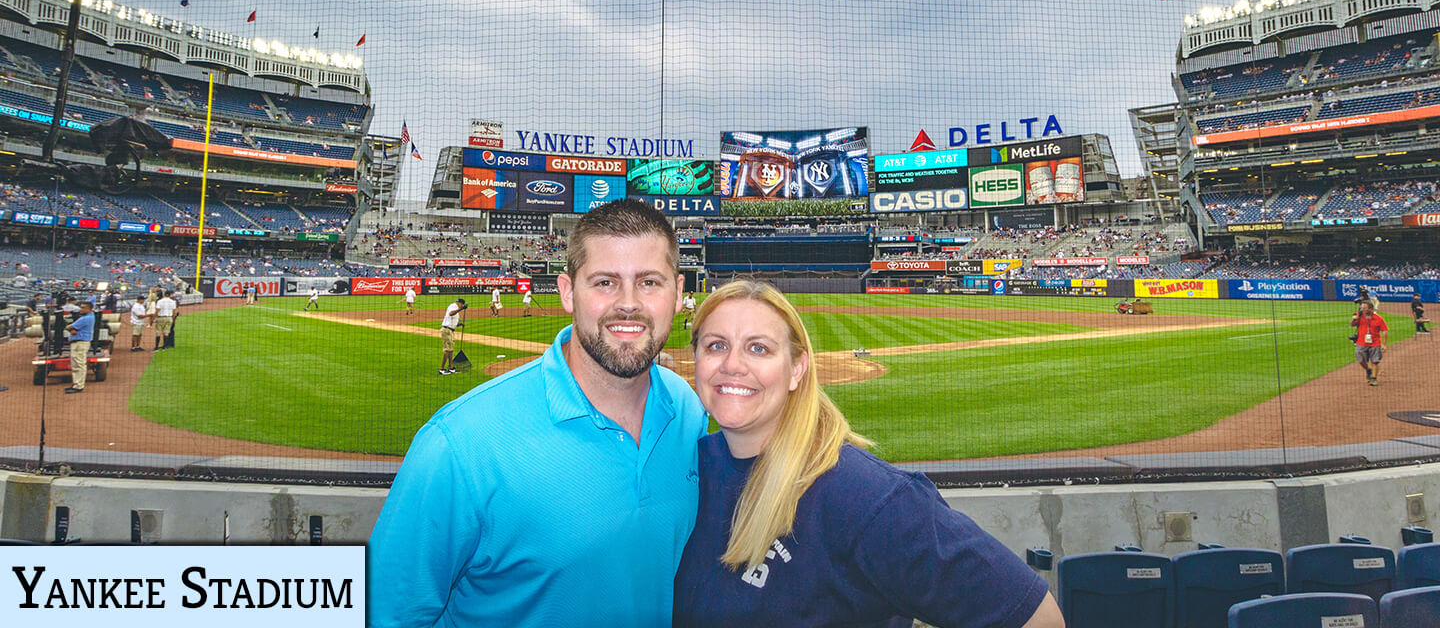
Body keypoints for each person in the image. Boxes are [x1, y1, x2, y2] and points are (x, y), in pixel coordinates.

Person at [368, 198, 708, 628]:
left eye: (650, 282)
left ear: (678, 293)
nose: (628, 303)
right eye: (605, 282)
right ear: (567, 291)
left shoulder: (689, 413)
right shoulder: (458, 445)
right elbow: (385, 614)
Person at [674, 279, 1063, 628]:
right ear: (697, 361)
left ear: (797, 370)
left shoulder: (862, 494)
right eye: (716, 346)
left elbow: (1038, 619)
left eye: (758, 348)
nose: (733, 365)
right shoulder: (687, 468)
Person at [1351, 298, 1388, 387]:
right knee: (1360, 360)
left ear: (1370, 309)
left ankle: (1374, 378)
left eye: (1364, 308)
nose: (1362, 310)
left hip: (1375, 343)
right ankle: (1368, 370)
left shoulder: (1378, 318)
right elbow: (1352, 325)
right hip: (1361, 342)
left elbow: (1384, 330)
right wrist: (1354, 319)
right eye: (1362, 308)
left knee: (1375, 361)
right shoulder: (1359, 316)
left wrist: (1384, 344)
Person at [64, 301, 95, 394]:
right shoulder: (89, 316)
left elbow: (69, 327)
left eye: (83, 308)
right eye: (81, 307)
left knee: (79, 364)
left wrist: (70, 329)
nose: (81, 309)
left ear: (90, 309)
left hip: (80, 343)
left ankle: (78, 386)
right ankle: (76, 384)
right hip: (79, 342)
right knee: (76, 364)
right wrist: (72, 330)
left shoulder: (85, 318)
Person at [438, 297, 466, 374]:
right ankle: (442, 369)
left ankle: (451, 367)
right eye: (462, 305)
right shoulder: (453, 306)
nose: (461, 306)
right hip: (446, 330)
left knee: (451, 350)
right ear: (459, 303)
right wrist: (461, 309)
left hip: (450, 331)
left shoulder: (456, 309)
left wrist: (460, 324)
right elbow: (451, 313)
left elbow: (453, 322)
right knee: (447, 350)